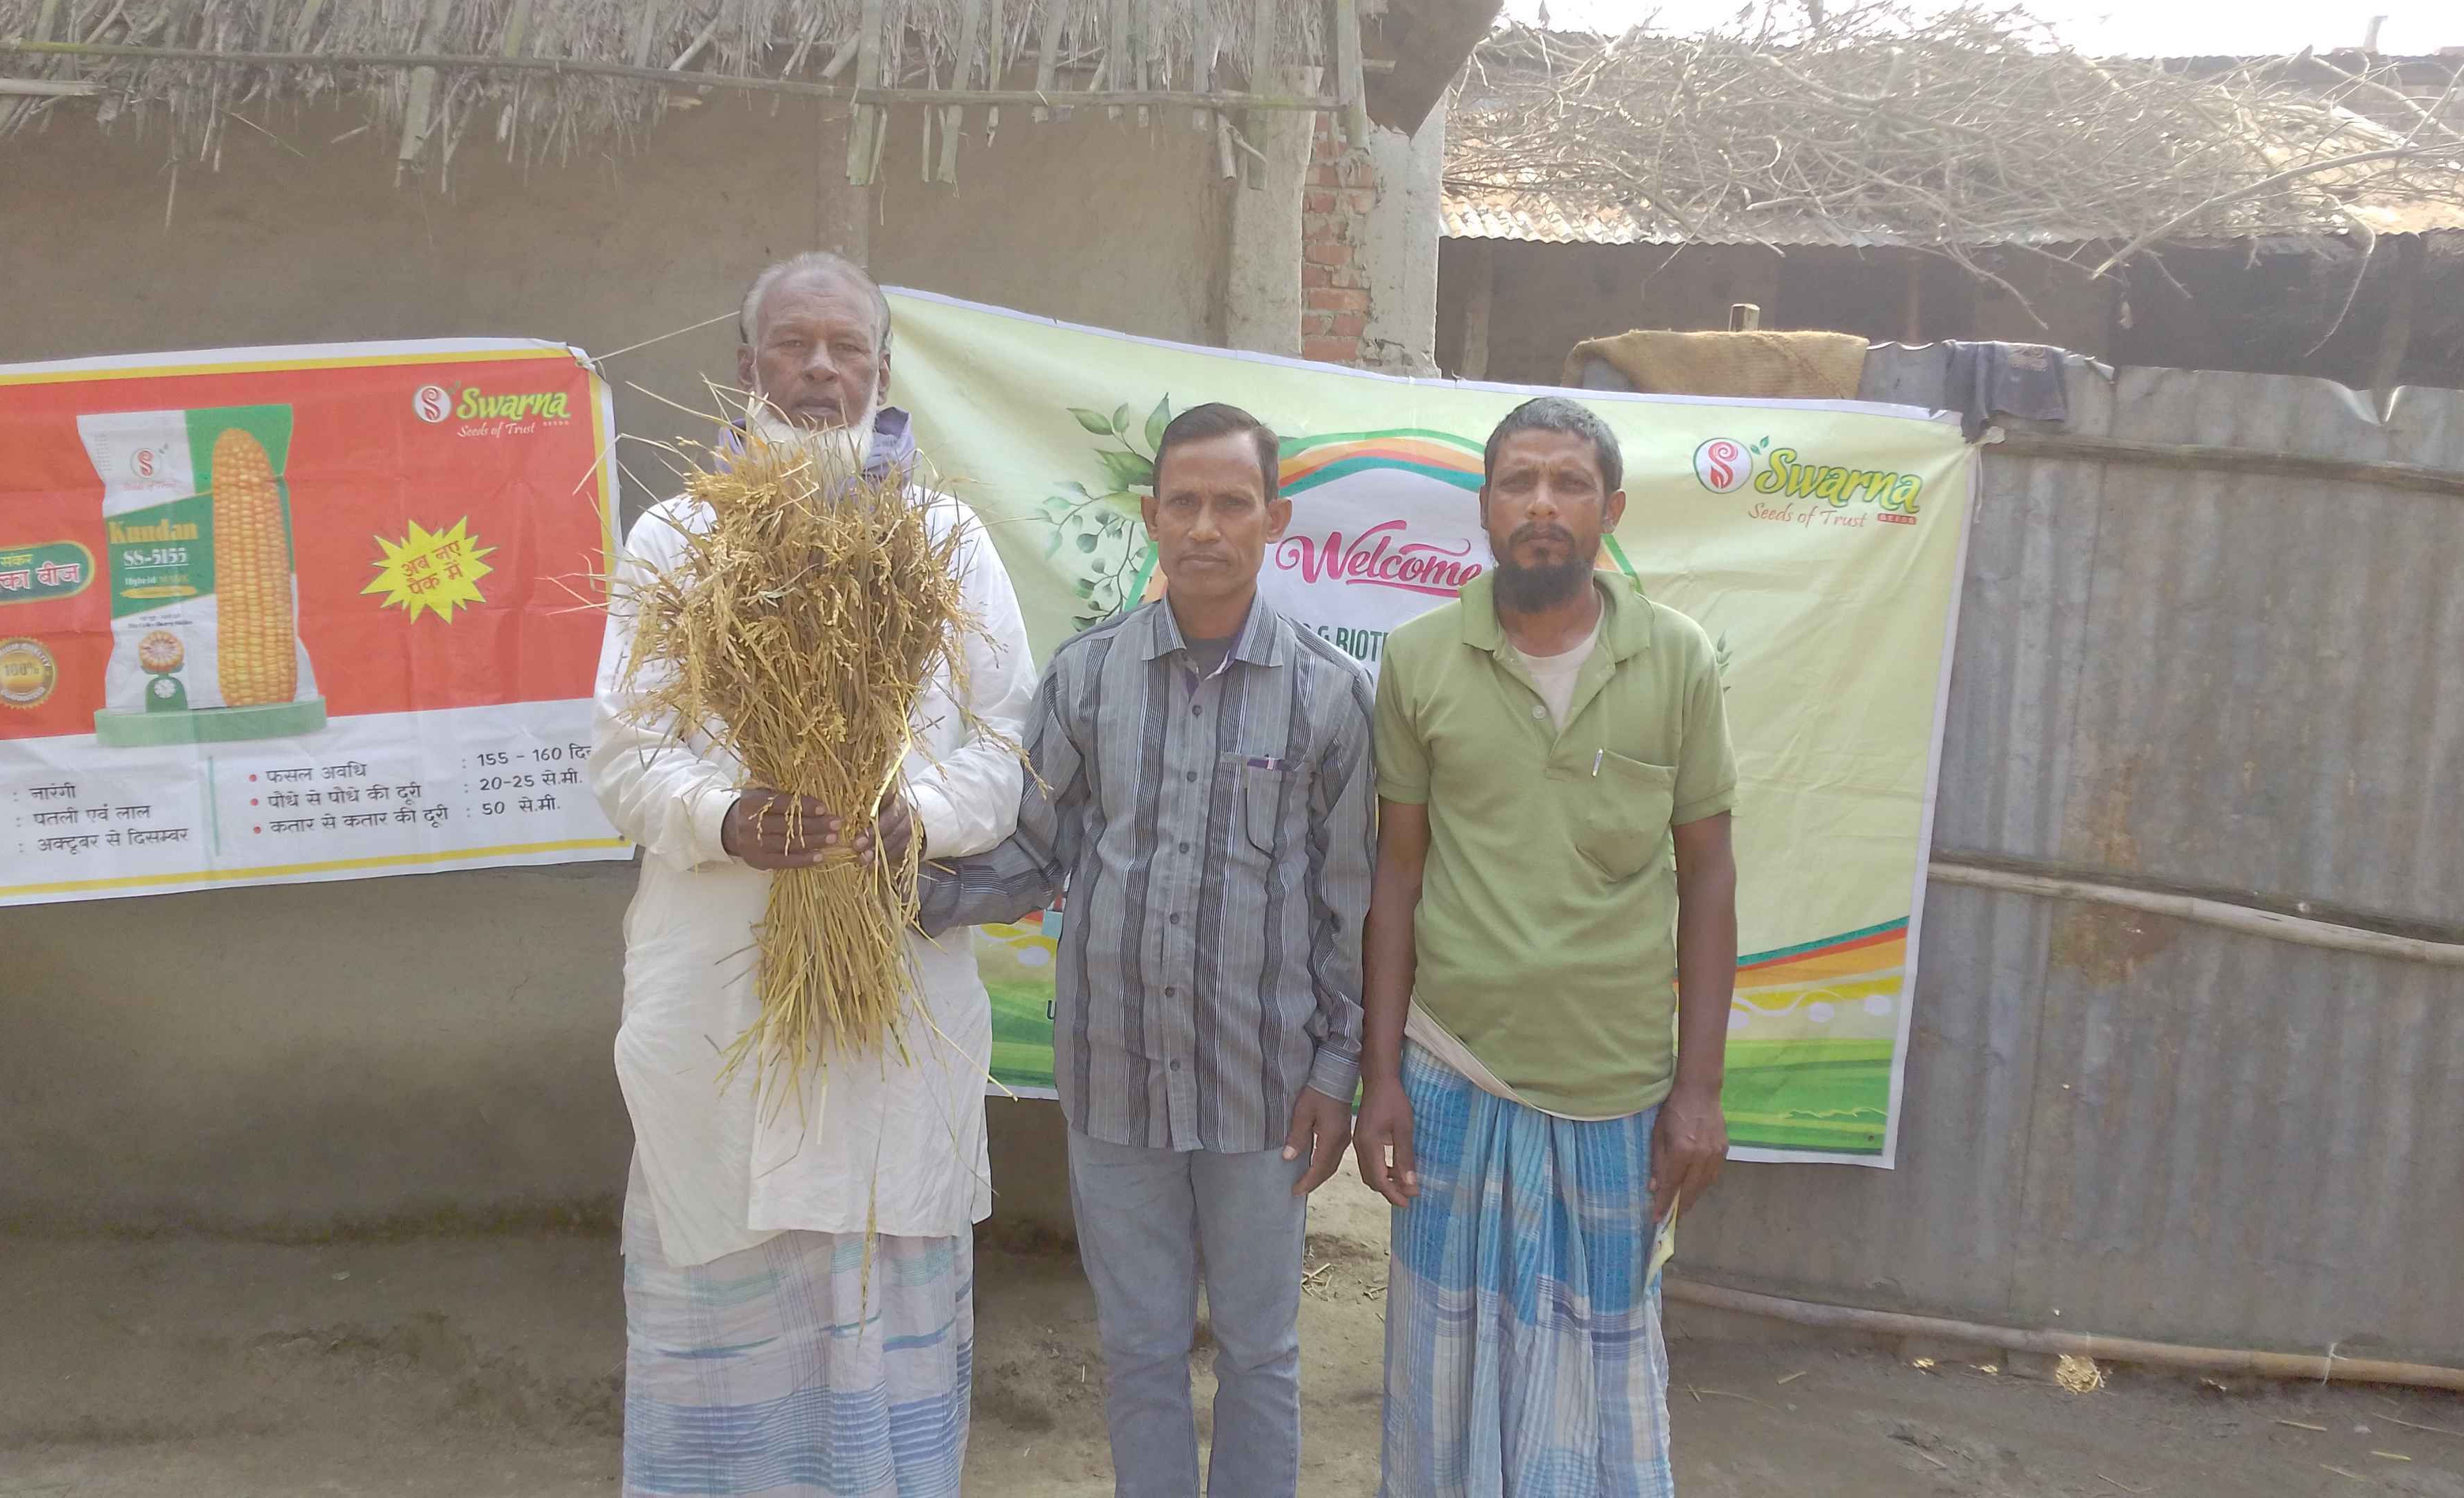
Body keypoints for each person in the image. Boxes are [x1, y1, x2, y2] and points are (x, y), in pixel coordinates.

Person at [592, 251, 1038, 1498]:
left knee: (883, 1278)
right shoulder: (679, 540)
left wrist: (916, 817)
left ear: (883, 372)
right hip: (722, 983)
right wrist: (729, 818)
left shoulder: (944, 540)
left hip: (887, 980)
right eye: (795, 346)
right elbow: (625, 759)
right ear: (748, 367)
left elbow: (1007, 745)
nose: (822, 371)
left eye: (848, 349)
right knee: (724, 1282)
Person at [920, 402, 1374, 1497]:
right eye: (1185, 503)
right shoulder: (1087, 679)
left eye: (1233, 503)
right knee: (1139, 1352)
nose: (1206, 527)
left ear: (1276, 519)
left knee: (1260, 1352)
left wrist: (1336, 1072)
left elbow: (1351, 905)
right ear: (1150, 515)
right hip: (1115, 1081)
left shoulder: (1330, 695)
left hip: (1265, 1089)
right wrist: (899, 892)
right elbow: (1034, 853)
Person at [1357, 395, 1739, 1497]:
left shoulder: (1678, 660)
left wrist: (1700, 1090)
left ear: (1609, 511)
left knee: (1595, 1391)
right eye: (1518, 482)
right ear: (1485, 507)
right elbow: (1397, 874)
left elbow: (1709, 877)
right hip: (1452, 1070)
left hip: (1615, 1089)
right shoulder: (1420, 659)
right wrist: (1381, 1076)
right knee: (1445, 1380)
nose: (1541, 505)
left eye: (1568, 484)